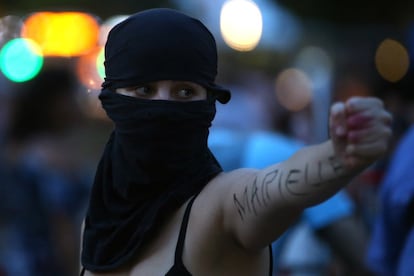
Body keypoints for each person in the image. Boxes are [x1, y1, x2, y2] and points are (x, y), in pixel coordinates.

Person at [80, 8, 392, 276]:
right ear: (110, 98)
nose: (164, 107)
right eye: (144, 90)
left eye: (185, 92)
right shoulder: (99, 222)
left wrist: (337, 156)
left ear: (210, 102)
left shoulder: (220, 207)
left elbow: (276, 187)